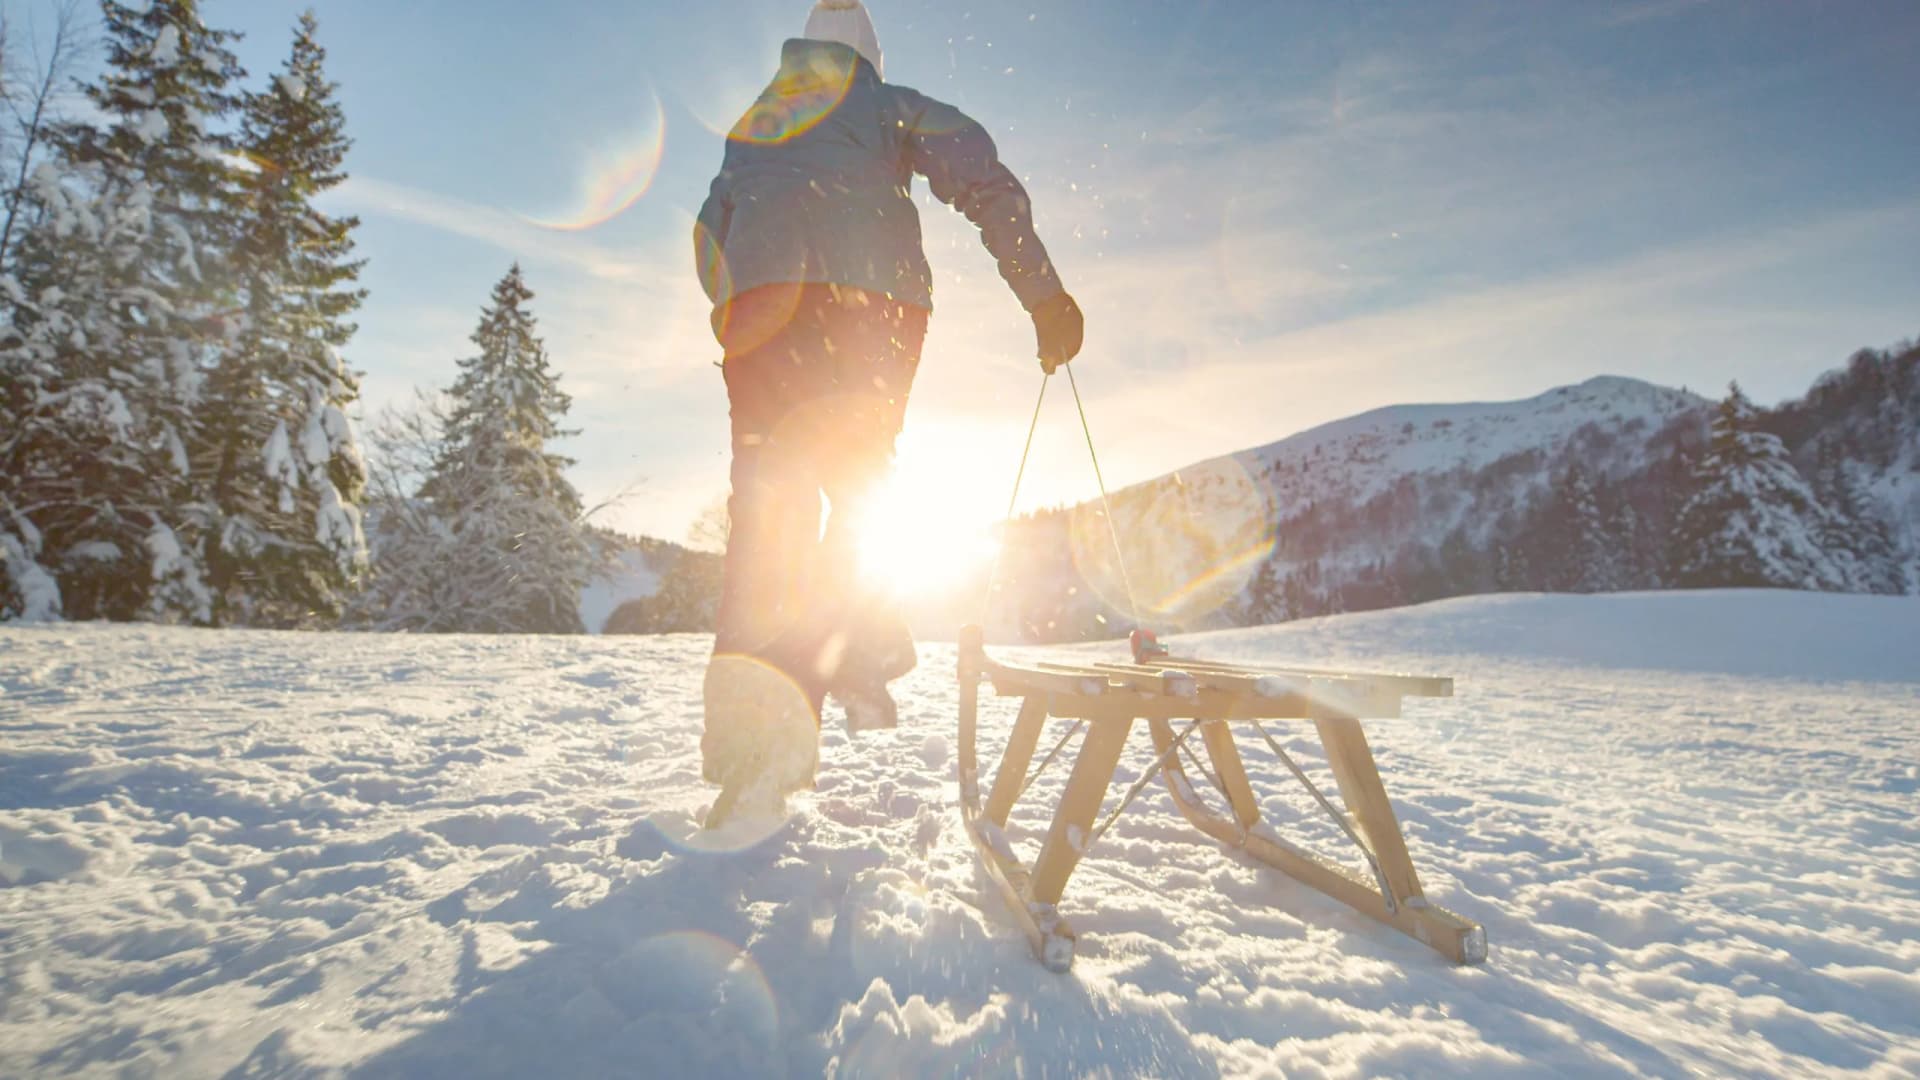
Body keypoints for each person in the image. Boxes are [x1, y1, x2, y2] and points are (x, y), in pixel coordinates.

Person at [693, 0, 1083, 823]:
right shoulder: (891, 105)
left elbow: (708, 231)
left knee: (768, 513)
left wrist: (746, 309)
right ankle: (861, 649)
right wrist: (1043, 296)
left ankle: (751, 747)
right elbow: (983, 179)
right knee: (863, 483)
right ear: (868, 54)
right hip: (870, 306)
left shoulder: (754, 123)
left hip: (763, 318)